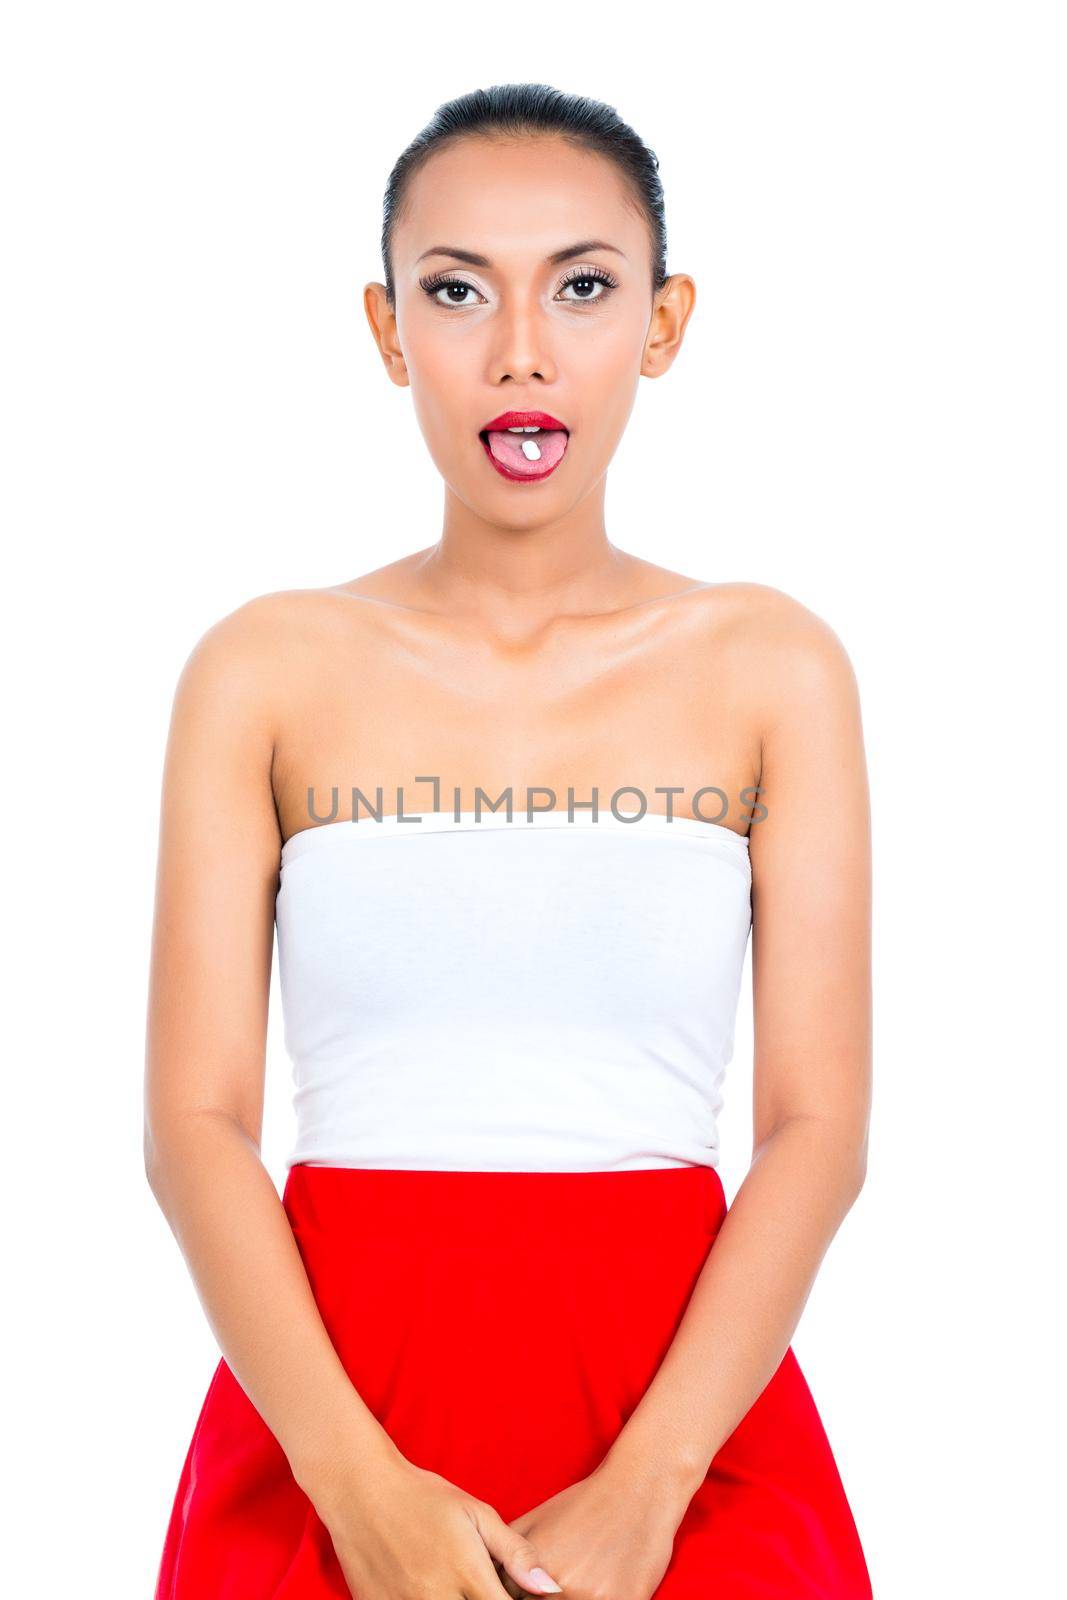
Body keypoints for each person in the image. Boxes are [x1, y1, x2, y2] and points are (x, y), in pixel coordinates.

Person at [146, 82, 874, 1600]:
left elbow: (817, 1131)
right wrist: (361, 1494)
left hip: (685, 1429)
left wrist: (645, 1494)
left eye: (586, 287)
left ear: (665, 324)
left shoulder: (772, 668)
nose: (521, 352)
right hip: (336, 1417)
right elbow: (194, 1126)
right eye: (459, 290)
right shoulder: (261, 669)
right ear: (387, 326)